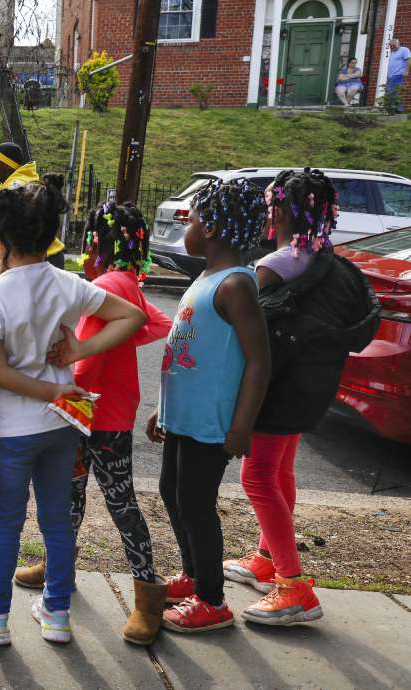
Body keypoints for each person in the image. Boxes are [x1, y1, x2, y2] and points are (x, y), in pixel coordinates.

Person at [0, 175, 146, 647]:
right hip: (63, 423)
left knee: (6, 522)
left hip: (10, 428)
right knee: (56, 521)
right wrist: (76, 353)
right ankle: (57, 615)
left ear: (2, 237)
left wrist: (45, 391)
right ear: (50, 234)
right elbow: (133, 317)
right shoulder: (68, 285)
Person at [223, 169, 378, 627]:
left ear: (284, 211)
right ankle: (267, 559)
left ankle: (293, 586)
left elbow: (244, 317)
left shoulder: (278, 264)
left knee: (256, 477)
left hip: (281, 384)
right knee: (280, 470)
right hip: (311, 384)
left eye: (274, 206)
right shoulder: (326, 257)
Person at [13, 202, 172, 646]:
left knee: (111, 503)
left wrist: (61, 387)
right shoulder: (127, 282)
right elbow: (157, 324)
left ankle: (146, 599)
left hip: (93, 414)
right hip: (110, 413)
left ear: (98, 240)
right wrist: (117, 340)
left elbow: (85, 364)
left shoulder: (105, 283)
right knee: (84, 495)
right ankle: (60, 567)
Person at [146, 178, 271, 634]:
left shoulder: (236, 285)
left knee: (197, 504)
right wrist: (164, 408)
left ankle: (212, 599)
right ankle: (195, 573)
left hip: (212, 424)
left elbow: (259, 361)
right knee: (172, 494)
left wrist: (242, 427)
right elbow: (189, 353)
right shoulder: (205, 277)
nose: (187, 226)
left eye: (193, 219)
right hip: (184, 418)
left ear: (215, 228)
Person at [387, 38, 409, 113]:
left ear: (398, 44)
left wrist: (406, 71)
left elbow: (409, 60)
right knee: (394, 92)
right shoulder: (392, 53)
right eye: (391, 46)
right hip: (391, 76)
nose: (392, 47)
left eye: (393, 45)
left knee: (392, 92)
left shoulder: (404, 50)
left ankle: (395, 109)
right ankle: (398, 110)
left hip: (398, 75)